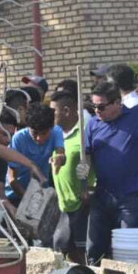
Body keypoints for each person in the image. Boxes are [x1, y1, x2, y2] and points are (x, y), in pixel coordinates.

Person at [84, 28, 138, 264]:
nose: (97, 112)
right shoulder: (93, 125)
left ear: (117, 103)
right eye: (94, 107)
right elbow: (87, 157)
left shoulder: (137, 115)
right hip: (102, 195)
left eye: (101, 107)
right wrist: (84, 180)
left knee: (128, 249)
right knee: (95, 249)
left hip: (130, 196)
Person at [50, 88, 93, 262]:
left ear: (66, 111)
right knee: (62, 250)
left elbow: (92, 162)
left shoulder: (85, 133)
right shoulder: (55, 135)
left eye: (54, 111)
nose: (51, 115)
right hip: (63, 204)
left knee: (82, 253)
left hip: (81, 203)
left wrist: (89, 186)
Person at [6, 105, 64, 204]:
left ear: (52, 127)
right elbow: (12, 179)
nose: (39, 138)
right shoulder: (18, 139)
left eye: (44, 133)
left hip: (41, 194)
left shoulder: (57, 132)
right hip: (16, 194)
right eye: (35, 133)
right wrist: (29, 201)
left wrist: (59, 159)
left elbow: (61, 155)